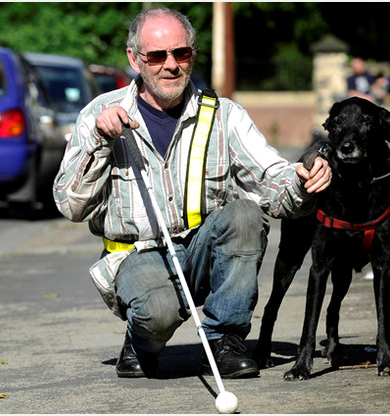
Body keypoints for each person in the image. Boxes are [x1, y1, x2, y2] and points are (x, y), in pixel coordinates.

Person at [53, 7, 332, 380]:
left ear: (193, 56)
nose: (171, 65)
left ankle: (224, 340)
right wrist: (100, 143)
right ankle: (140, 339)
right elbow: (70, 205)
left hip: (203, 251)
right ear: (134, 59)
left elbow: (272, 178)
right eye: (157, 56)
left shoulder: (224, 115)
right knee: (158, 314)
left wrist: (302, 179)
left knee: (246, 215)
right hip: (137, 257)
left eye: (181, 53)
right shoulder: (99, 115)